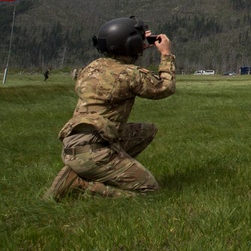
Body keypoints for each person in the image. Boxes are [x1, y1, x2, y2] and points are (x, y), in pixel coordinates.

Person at [45, 16, 175, 200]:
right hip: (93, 151)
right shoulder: (129, 74)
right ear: (131, 45)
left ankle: (85, 171)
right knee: (149, 191)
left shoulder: (92, 67)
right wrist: (166, 54)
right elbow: (165, 88)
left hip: (75, 146)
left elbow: (116, 69)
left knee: (146, 131)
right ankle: (82, 185)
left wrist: (135, 45)